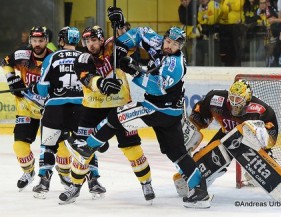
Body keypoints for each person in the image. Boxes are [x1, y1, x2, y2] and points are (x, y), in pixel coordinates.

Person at [65, 10, 211, 208]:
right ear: (165, 38)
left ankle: (87, 147)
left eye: (175, 45)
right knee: (176, 153)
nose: (169, 46)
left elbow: (158, 87)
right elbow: (140, 33)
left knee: (118, 116)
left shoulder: (175, 64)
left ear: (181, 47)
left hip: (159, 109)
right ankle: (200, 190)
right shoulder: (157, 41)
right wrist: (122, 40)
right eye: (168, 41)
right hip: (171, 112)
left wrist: (133, 70)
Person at [59, 23, 154, 204]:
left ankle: (146, 183)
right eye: (87, 41)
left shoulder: (113, 45)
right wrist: (101, 84)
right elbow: (87, 78)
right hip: (92, 110)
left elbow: (132, 42)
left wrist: (120, 25)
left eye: (94, 40)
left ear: (102, 39)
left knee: (132, 148)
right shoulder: (82, 58)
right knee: (83, 150)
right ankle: (75, 186)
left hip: (120, 108)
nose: (90, 45)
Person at [173, 79, 279, 196]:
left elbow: (271, 135)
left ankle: (268, 169)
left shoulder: (261, 109)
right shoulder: (215, 99)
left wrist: (264, 137)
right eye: (232, 98)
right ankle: (198, 184)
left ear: (247, 99)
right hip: (225, 134)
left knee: (256, 167)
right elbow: (200, 114)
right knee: (212, 161)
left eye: (238, 99)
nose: (234, 103)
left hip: (248, 141)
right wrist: (191, 129)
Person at [29, 26, 85, 199]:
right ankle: (92, 181)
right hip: (80, 107)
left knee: (48, 145)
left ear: (61, 40)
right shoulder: (85, 57)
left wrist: (34, 87)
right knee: (83, 145)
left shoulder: (52, 57)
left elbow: (43, 89)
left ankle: (44, 182)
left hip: (55, 107)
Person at [1, 26, 53, 191]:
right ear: (30, 40)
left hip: (50, 110)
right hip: (26, 108)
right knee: (19, 146)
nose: (37, 44)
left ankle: (65, 173)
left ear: (46, 41)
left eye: (41, 40)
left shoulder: (53, 58)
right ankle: (29, 172)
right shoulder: (22, 55)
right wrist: (11, 79)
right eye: (35, 40)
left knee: (61, 148)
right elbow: (5, 62)